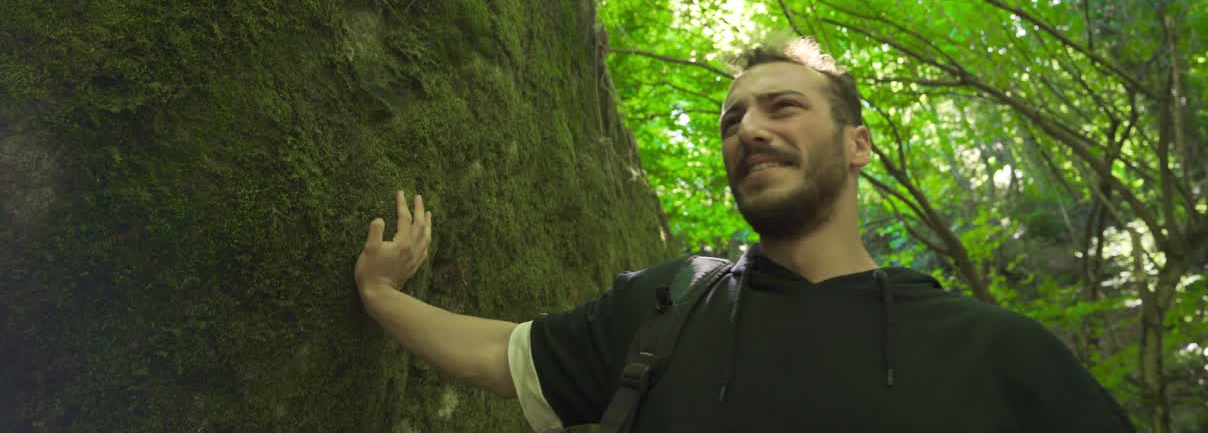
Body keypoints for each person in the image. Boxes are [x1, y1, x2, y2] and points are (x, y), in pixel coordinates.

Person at [355, 36, 1138, 432]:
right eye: (734, 120)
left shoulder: (1000, 355)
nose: (750, 130)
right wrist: (380, 293)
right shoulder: (671, 307)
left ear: (859, 143)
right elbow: (504, 355)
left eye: (783, 107)